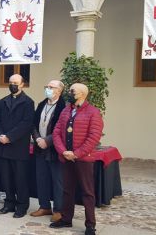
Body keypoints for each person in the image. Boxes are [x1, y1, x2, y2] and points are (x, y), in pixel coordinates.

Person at [50, 83, 104, 235]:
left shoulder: (93, 112)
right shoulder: (66, 110)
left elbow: (94, 137)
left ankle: (90, 224)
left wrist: (77, 153)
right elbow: (56, 132)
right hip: (67, 158)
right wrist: (63, 151)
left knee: (87, 192)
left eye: (72, 91)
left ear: (81, 94)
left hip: (83, 159)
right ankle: (66, 219)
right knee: (67, 190)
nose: (69, 93)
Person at [0, 74, 35, 218]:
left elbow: (26, 124)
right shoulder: (3, 101)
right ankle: (9, 203)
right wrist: (0, 135)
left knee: (20, 179)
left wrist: (10, 137)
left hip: (18, 147)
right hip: (3, 147)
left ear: (22, 84)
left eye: (15, 83)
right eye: (10, 82)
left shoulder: (28, 102)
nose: (12, 85)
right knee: (6, 178)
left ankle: (22, 206)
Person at [30, 80, 66, 222]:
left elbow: (62, 128)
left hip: (55, 149)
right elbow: (33, 124)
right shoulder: (41, 104)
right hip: (40, 147)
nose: (48, 89)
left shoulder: (64, 107)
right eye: (47, 87)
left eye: (51, 87)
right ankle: (44, 206)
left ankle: (59, 209)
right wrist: (38, 139)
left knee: (58, 181)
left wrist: (47, 141)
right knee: (41, 179)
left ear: (59, 91)